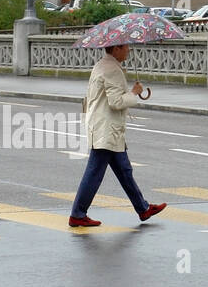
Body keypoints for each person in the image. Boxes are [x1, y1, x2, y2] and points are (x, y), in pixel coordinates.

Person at [68, 44, 167, 227]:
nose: (129, 50)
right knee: (95, 172)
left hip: (104, 126)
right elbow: (116, 102)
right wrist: (134, 93)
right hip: (106, 128)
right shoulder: (112, 70)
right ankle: (77, 214)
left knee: (124, 170)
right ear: (116, 49)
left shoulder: (102, 65)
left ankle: (143, 208)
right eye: (126, 47)